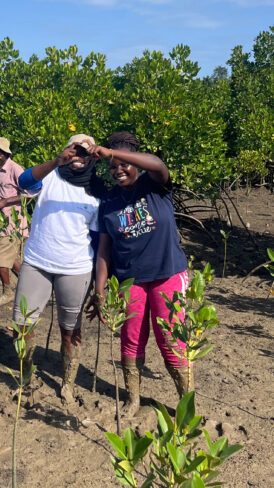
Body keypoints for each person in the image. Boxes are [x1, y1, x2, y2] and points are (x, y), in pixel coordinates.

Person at [89, 131, 190, 417]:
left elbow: (157, 164)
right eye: (112, 167)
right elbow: (104, 251)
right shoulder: (109, 202)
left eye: (123, 163)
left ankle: (186, 405)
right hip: (130, 279)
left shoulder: (154, 184)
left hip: (167, 273)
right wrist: (100, 293)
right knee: (131, 338)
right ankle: (133, 399)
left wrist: (111, 153)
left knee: (171, 339)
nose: (118, 170)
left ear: (134, 161)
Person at [15, 134, 106, 403]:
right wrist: (57, 160)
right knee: (21, 325)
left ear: (94, 157)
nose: (79, 156)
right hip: (37, 263)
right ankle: (25, 377)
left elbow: (101, 240)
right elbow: (24, 182)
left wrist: (100, 284)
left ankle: (67, 384)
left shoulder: (98, 189)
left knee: (71, 331)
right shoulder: (51, 175)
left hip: (75, 269)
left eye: (85, 152)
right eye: (74, 149)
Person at [0, 137, 34, 306]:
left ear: (7, 154)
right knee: (10, 258)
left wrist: (5, 202)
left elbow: (29, 194)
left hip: (13, 222)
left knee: (0, 258)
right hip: (1, 221)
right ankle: (29, 285)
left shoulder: (15, 169)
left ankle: (7, 292)